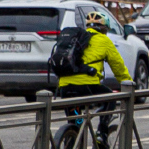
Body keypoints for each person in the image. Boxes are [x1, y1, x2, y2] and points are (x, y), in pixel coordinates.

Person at [56, 10, 132, 141]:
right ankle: (101, 133)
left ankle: (71, 146)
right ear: (104, 28)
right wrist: (128, 84)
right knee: (110, 99)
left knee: (74, 121)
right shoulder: (104, 40)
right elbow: (118, 67)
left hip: (65, 87)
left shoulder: (76, 39)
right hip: (86, 87)